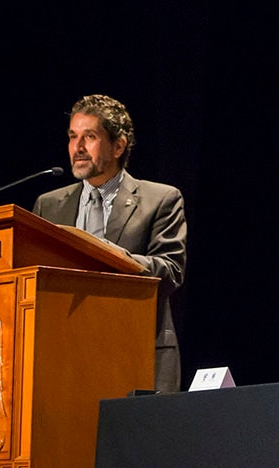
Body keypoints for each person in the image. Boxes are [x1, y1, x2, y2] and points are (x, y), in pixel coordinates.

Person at [33, 94, 187, 393]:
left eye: (89, 137)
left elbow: (171, 272)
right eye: (72, 136)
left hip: (134, 350)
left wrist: (111, 253)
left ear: (119, 145)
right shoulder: (49, 206)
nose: (77, 148)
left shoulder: (161, 199)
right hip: (63, 356)